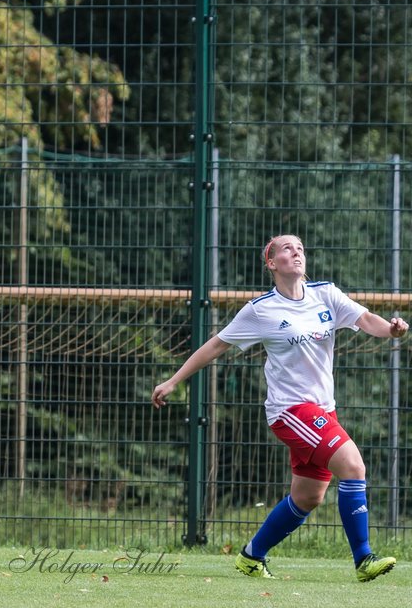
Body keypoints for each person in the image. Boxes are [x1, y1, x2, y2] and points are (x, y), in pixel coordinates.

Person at [152, 234, 404, 582]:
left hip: (322, 411)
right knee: (353, 465)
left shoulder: (326, 294)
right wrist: (174, 380)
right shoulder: (261, 309)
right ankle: (363, 559)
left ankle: (251, 556)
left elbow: (366, 320)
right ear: (271, 263)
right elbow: (215, 346)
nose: (296, 251)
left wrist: (390, 330)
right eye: (286, 248)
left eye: (300, 247)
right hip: (290, 411)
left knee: (308, 496)